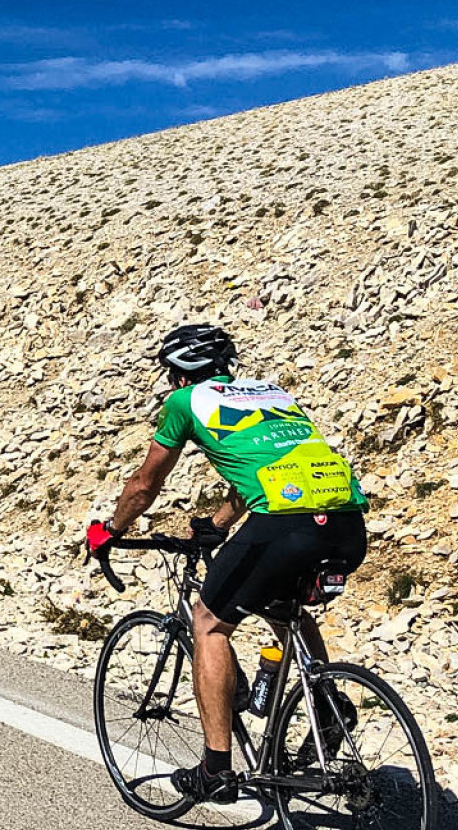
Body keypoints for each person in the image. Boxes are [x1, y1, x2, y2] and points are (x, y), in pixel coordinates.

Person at [85, 323, 368, 803]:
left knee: (209, 623)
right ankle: (327, 705)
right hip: (347, 524)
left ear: (178, 374)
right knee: (285, 607)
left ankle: (216, 769)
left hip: (284, 526)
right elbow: (268, 467)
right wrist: (218, 524)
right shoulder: (272, 395)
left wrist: (110, 529)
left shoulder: (185, 402)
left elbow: (145, 485)